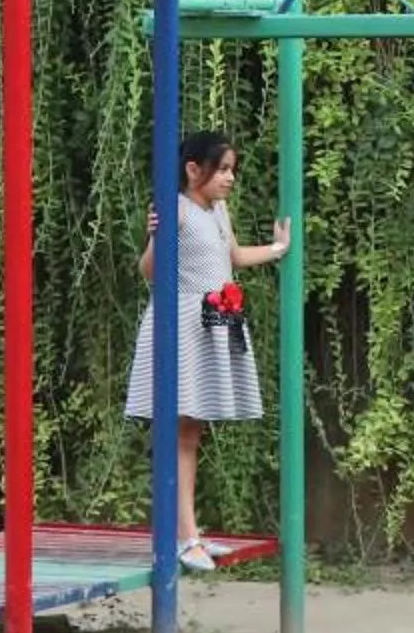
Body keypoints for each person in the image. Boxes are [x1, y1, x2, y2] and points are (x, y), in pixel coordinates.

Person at [123, 131, 290, 571]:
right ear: (193, 169)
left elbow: (231, 256)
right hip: (178, 328)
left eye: (233, 169)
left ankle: (189, 534)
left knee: (190, 433)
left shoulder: (217, 209)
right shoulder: (174, 210)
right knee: (176, 432)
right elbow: (148, 271)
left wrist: (278, 249)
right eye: (222, 169)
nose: (230, 178)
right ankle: (183, 537)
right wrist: (156, 237)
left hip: (211, 325)